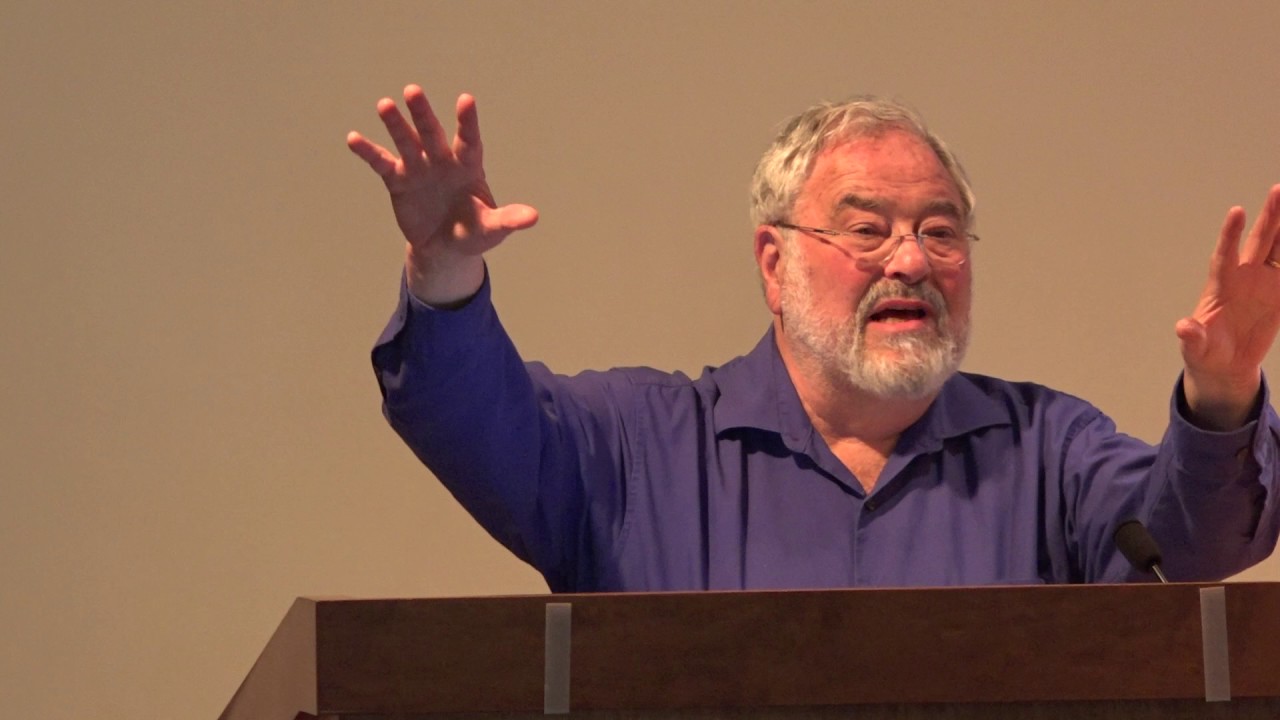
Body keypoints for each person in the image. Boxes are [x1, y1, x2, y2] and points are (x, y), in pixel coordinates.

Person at [348, 84, 1280, 592]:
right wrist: (444, 269)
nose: (911, 261)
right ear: (773, 262)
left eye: (942, 231)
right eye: (867, 230)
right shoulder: (634, 451)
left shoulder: (1048, 451)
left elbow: (1188, 550)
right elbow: (472, 421)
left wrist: (1225, 394)